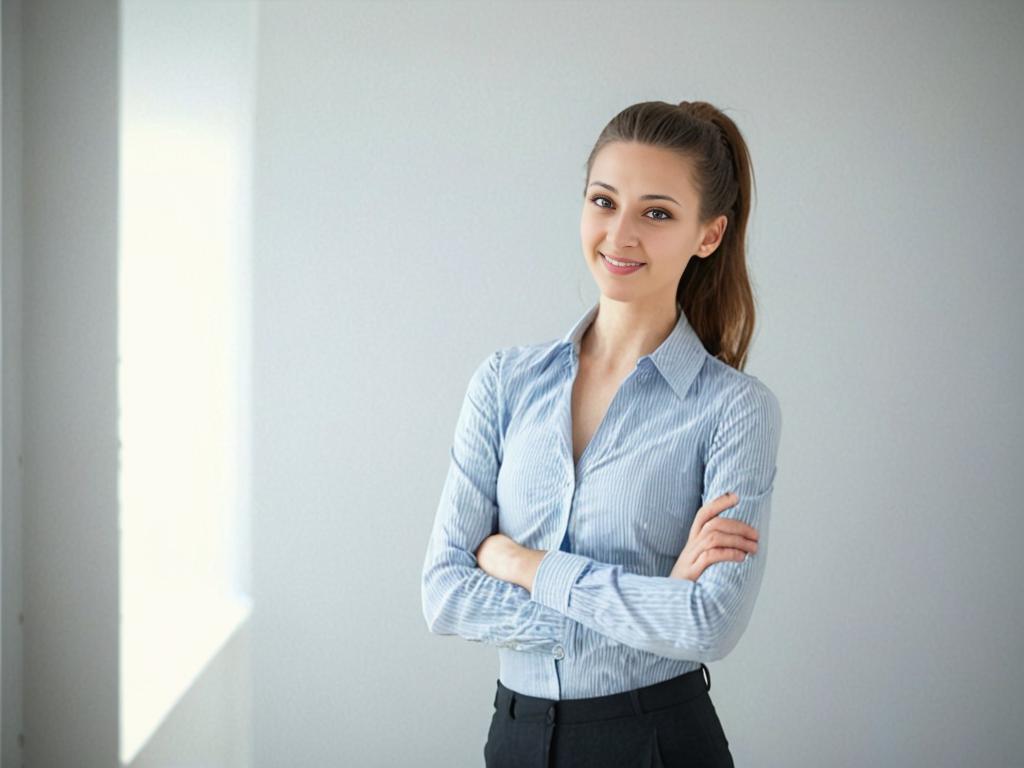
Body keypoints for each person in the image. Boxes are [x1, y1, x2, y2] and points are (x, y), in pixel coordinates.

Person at [421, 100, 782, 767]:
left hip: (657, 742)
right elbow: (443, 594)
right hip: (516, 739)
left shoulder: (735, 410)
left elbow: (708, 624)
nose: (620, 235)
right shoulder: (505, 382)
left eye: (657, 212)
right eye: (604, 201)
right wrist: (652, 605)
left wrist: (520, 564)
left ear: (708, 234)